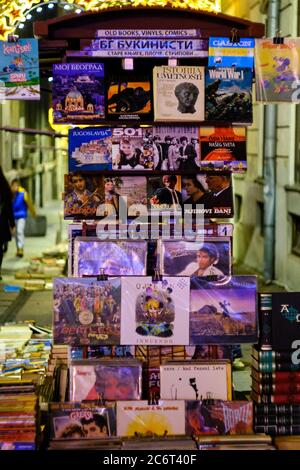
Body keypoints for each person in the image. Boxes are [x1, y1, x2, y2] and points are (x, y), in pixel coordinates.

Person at [11, 178, 36, 258]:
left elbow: (29, 204)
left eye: (16, 185)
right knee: (15, 234)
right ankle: (18, 249)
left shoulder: (23, 193)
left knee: (19, 231)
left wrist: (33, 214)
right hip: (13, 217)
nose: (14, 187)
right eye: (13, 185)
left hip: (21, 216)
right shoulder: (11, 194)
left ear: (18, 185)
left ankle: (21, 248)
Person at [0, 167, 15, 279]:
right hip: (2, 223)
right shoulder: (4, 186)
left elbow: (9, 208)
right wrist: (12, 224)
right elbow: (9, 208)